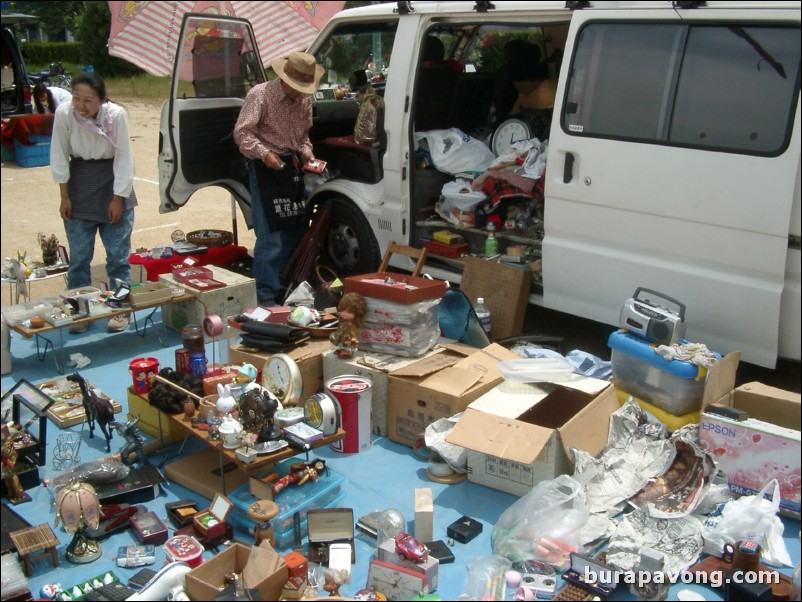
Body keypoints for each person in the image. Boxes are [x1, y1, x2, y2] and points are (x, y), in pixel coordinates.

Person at [233, 51, 324, 307]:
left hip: (292, 166)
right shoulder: (259, 95)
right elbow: (242, 134)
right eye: (297, 86)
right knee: (270, 236)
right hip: (265, 168)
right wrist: (265, 154)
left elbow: (304, 136)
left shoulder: (304, 100)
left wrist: (307, 151)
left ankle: (286, 285)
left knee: (295, 228)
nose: (300, 92)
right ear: (284, 78)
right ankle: (265, 293)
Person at [50, 72, 137, 334]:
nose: (81, 105)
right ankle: (80, 311)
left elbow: (124, 159)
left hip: (112, 183)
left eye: (88, 100)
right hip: (79, 184)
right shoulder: (64, 114)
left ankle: (120, 308)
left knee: (118, 258)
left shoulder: (117, 115)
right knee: (79, 258)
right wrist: (64, 196)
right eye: (77, 98)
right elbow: (59, 154)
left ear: (101, 99)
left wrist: (117, 199)